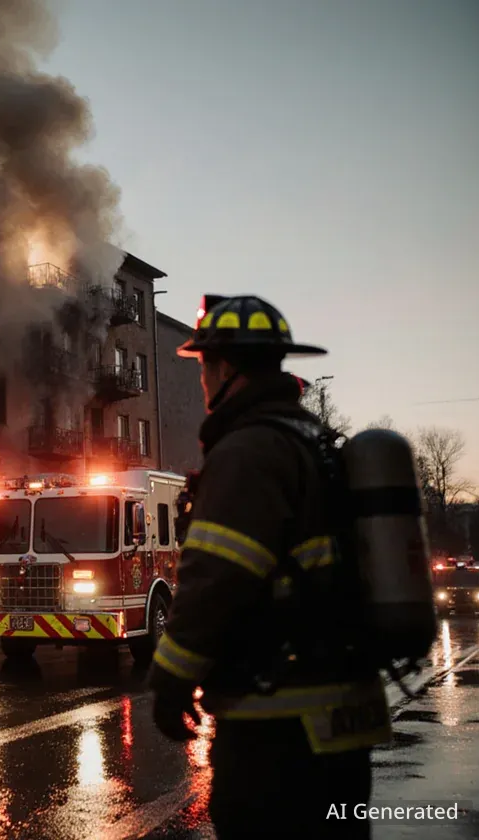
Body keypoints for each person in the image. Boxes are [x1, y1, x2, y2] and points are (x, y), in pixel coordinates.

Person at [148, 294, 391, 839]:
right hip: (343, 716)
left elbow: (216, 579)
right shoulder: (314, 440)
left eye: (204, 368)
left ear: (225, 368)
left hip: (277, 722)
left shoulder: (248, 451)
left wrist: (169, 680)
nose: (204, 384)